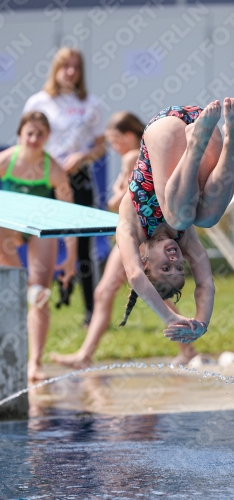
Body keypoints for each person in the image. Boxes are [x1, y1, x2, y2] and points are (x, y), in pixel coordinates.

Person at [50, 111, 197, 369]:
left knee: (113, 291)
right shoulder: (143, 156)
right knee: (119, 292)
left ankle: (86, 355)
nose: (113, 146)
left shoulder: (132, 158)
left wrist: (118, 192)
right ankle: (187, 349)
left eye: (115, 140)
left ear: (129, 136)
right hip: (142, 231)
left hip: (136, 234)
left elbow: (117, 201)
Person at [117, 99, 234, 344]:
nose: (175, 261)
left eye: (165, 268)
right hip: (201, 123)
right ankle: (232, 141)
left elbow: (133, 276)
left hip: (165, 129)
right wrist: (202, 323)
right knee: (207, 219)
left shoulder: (130, 228)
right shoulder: (183, 240)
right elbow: (205, 284)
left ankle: (195, 144)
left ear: (146, 262)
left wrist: (169, 318)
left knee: (180, 218)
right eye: (178, 269)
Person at [23, 47, 106, 327]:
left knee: (82, 243)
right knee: (42, 241)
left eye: (76, 67)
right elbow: (27, 141)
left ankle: (91, 311)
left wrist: (83, 155)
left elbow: (101, 145)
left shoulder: (90, 103)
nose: (70, 72)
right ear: (55, 69)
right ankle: (41, 304)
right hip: (46, 177)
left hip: (78, 177)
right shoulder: (39, 101)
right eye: (65, 66)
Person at [0, 111, 76, 381]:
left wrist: (71, 258)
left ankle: (34, 362)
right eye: (29, 133)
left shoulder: (53, 170)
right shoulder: (5, 161)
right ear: (20, 134)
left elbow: (70, 217)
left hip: (38, 228)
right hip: (7, 228)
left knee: (39, 294)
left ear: (47, 137)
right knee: (14, 290)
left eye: (40, 134)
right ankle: (11, 359)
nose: (33, 139)